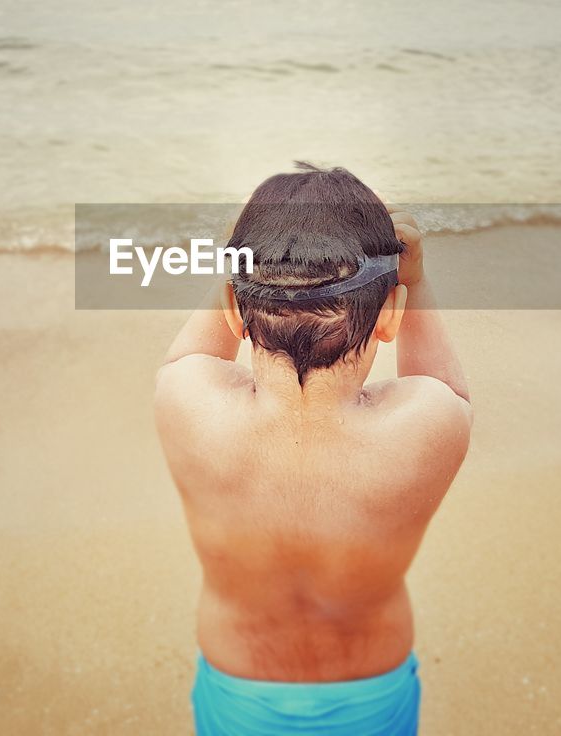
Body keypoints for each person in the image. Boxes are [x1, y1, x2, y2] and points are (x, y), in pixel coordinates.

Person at [154, 164, 472, 735]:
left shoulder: (184, 401)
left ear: (234, 307)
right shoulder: (432, 426)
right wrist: (415, 280)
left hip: (237, 691)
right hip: (371, 695)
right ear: (391, 317)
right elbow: (446, 389)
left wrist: (238, 260)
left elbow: (193, 351)